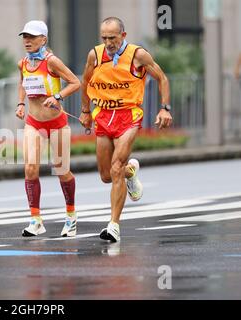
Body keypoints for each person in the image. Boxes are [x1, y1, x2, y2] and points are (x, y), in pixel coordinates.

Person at [79, 17, 173, 242]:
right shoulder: (95, 55)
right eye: (104, 38)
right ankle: (131, 171)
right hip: (102, 115)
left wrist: (165, 108)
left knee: (116, 166)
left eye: (112, 37)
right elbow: (85, 81)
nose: (108, 42)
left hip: (128, 116)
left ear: (123, 35)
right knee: (105, 175)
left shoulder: (138, 55)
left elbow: (162, 78)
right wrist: (84, 111)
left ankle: (114, 225)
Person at [16, 20, 81, 237]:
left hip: (57, 123)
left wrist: (57, 96)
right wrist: (20, 104)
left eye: (32, 37)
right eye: (25, 37)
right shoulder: (23, 63)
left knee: (61, 170)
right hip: (34, 122)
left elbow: (75, 82)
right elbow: (21, 83)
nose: (27, 41)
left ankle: (71, 217)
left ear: (43, 39)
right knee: (30, 168)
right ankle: (36, 220)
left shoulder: (52, 61)